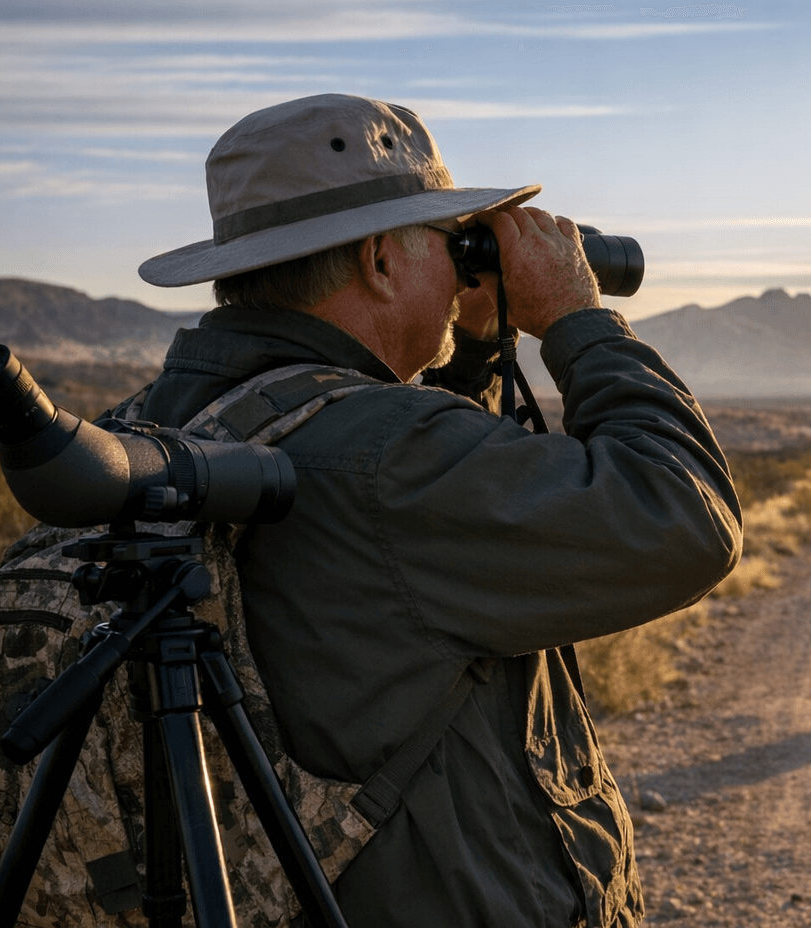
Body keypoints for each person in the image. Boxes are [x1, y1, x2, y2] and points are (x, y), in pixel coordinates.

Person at [135, 94, 742, 928]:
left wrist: (472, 350)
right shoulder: (386, 455)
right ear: (382, 260)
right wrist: (581, 319)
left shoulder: (172, 424)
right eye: (449, 241)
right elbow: (682, 517)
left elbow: (421, 524)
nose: (462, 273)